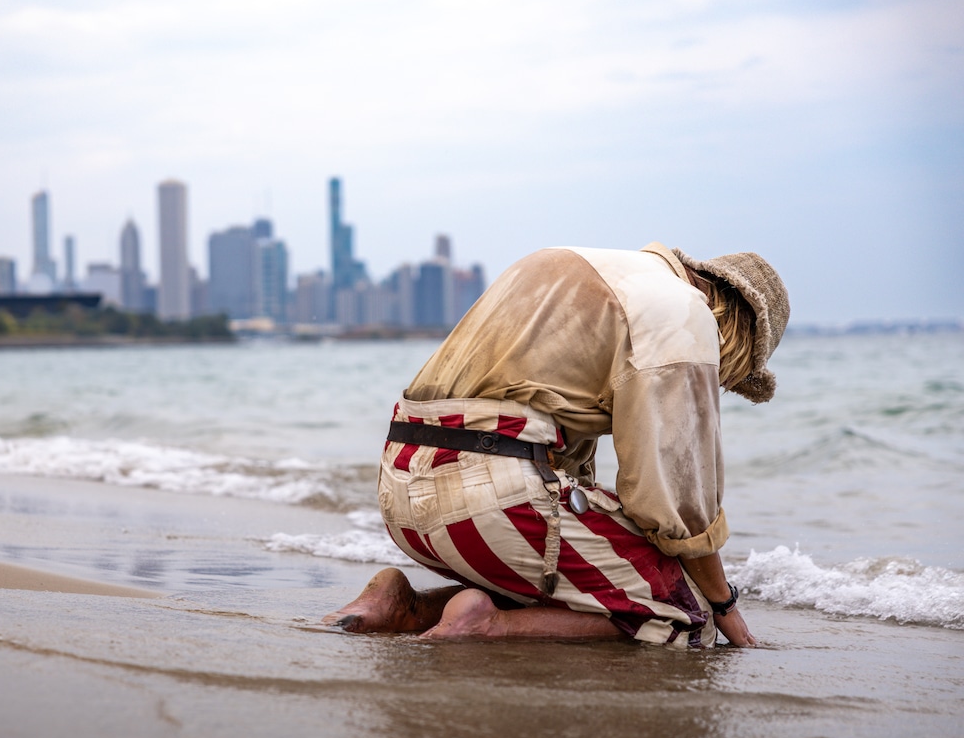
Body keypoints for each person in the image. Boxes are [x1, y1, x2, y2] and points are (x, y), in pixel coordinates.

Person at [324, 242, 789, 648]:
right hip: (488, 503)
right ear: (739, 329)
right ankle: (488, 627)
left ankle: (407, 608)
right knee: (684, 615)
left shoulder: (582, 269)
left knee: (577, 583)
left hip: (403, 496)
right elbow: (674, 504)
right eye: (739, 369)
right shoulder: (683, 316)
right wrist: (722, 602)